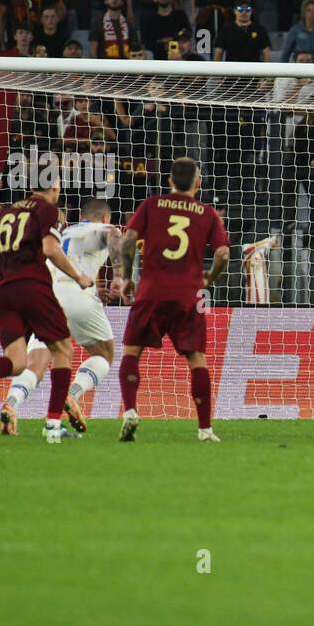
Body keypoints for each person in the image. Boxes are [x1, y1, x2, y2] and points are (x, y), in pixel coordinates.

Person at [0, 180, 96, 443]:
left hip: (0, 292)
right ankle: (53, 426)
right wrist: (79, 277)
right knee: (63, 350)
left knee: (18, 361)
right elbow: (49, 248)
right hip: (31, 286)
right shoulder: (48, 210)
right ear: (55, 186)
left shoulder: (7, 211)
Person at [117, 157, 231, 443]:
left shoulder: (152, 204)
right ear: (198, 182)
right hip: (187, 295)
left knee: (132, 353)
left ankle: (130, 411)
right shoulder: (207, 214)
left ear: (169, 181)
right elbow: (223, 254)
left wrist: (127, 276)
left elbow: (128, 238)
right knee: (197, 359)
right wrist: (210, 278)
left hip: (151, 291)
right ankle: (205, 429)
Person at [0, 199, 125, 436]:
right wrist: (118, 276)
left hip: (49, 299)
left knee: (35, 365)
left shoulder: (65, 233)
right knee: (105, 354)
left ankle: (10, 405)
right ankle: (74, 394)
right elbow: (115, 237)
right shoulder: (102, 229)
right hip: (78, 296)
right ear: (105, 218)